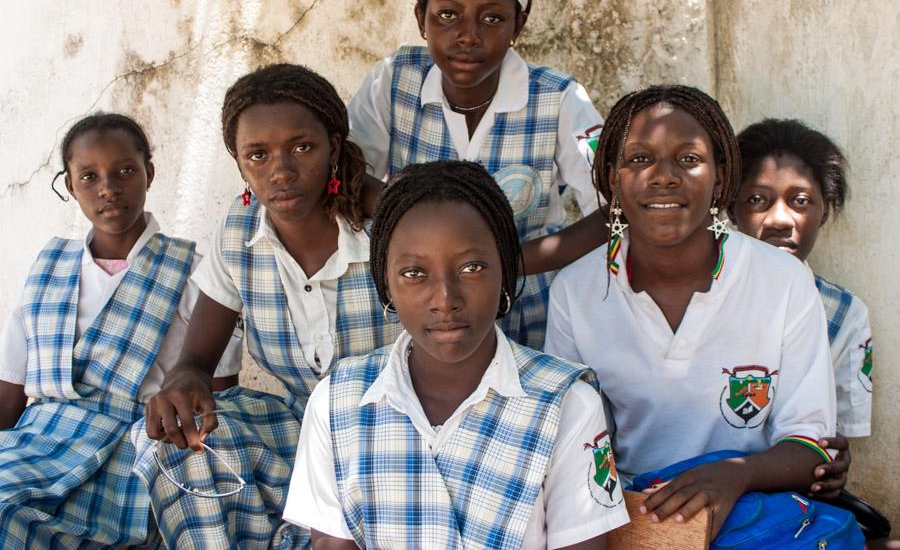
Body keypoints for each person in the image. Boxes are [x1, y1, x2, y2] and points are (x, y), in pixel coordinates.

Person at [285, 160, 629, 549]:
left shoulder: (565, 404)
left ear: (505, 269)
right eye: (414, 273)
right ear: (386, 283)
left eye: (471, 267)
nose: (445, 299)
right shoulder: (337, 401)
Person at [545, 86, 837, 538]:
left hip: (752, 513)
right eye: (639, 160)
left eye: (688, 159)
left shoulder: (782, 281)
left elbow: (811, 447)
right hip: (636, 516)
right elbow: (574, 449)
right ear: (611, 179)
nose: (664, 177)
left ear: (721, 179)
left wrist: (735, 475)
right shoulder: (576, 291)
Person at [138, 64, 402, 548]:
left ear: (334, 147)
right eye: (257, 155)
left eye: (302, 147)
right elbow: (196, 362)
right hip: (300, 431)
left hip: (398, 430)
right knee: (177, 446)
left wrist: (388, 201)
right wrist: (182, 386)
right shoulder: (239, 234)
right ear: (240, 165)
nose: (281, 170)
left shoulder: (391, 228)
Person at [348, 0, 608, 349]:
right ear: (421, 18)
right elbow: (348, 175)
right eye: (448, 14)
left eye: (491, 19)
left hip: (529, 310)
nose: (468, 35)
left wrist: (509, 263)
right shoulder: (394, 80)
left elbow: (616, 210)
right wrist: (414, 214)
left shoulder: (557, 99)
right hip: (427, 313)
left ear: (517, 24)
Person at [0, 113, 241, 547]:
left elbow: (218, 395)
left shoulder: (192, 273)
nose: (108, 188)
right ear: (70, 186)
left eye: (125, 171)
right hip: (40, 442)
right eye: (89, 176)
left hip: (133, 449)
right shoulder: (48, 266)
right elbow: (10, 388)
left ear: (148, 173)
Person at [732, 119, 872, 442]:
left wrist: (831, 462)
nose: (780, 220)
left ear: (823, 212)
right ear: (730, 207)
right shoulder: (699, 293)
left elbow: (831, 440)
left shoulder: (844, 315)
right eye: (756, 199)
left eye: (801, 201)